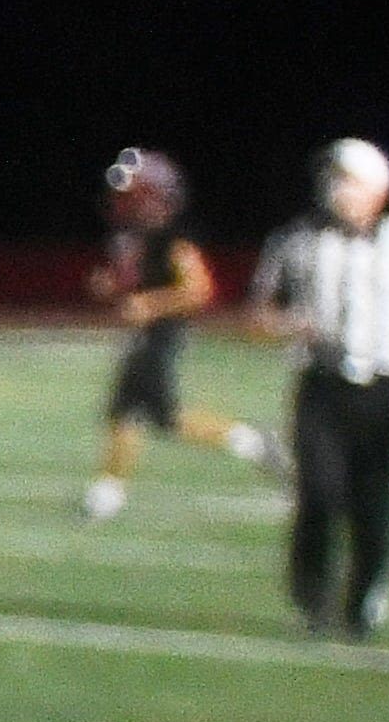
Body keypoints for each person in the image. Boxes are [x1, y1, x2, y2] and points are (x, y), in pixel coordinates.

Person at [250, 138, 389, 638]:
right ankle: (312, 593)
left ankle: (366, 594)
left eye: (349, 180)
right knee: (319, 492)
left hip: (382, 389)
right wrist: (285, 325)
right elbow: (258, 315)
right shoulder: (296, 240)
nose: (337, 190)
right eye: (334, 179)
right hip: (321, 386)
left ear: (377, 188)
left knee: (374, 504)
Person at [79, 146, 274, 522]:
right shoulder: (136, 236)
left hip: (161, 336)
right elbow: (132, 281)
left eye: (133, 194)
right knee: (136, 413)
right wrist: (112, 287)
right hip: (144, 335)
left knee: (145, 413)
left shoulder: (174, 238)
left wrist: (150, 305)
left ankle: (109, 491)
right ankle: (109, 490)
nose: (123, 201)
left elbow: (200, 290)